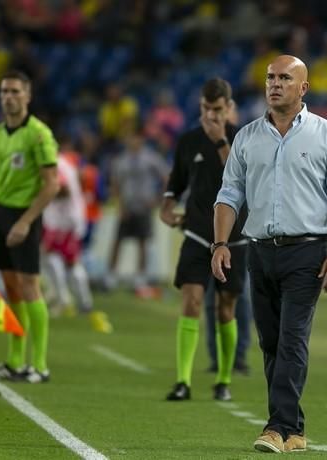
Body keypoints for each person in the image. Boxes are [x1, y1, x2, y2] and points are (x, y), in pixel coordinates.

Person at [212, 55, 327, 453]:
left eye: (284, 78)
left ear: (303, 88)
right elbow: (229, 194)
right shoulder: (246, 137)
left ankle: (276, 428)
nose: (275, 84)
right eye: (270, 77)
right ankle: (294, 430)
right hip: (260, 252)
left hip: (307, 253)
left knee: (292, 340)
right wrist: (220, 244)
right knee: (272, 342)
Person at [160, 78, 248, 402]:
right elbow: (176, 181)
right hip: (197, 233)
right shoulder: (188, 141)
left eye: (217, 109)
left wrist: (220, 142)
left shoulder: (242, 139)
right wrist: (167, 207)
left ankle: (223, 380)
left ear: (229, 108)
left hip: (235, 239)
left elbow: (242, 182)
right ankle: (183, 381)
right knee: (192, 302)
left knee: (226, 309)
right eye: (205, 109)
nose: (210, 115)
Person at [0, 70, 60, 384]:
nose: (8, 97)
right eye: (4, 92)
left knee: (29, 287)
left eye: (14, 91)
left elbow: (52, 184)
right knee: (11, 288)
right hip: (1, 215)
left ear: (28, 96)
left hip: (25, 214)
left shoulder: (38, 134)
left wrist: (25, 222)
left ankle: (39, 366)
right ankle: (15, 361)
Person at [41, 152, 113, 333]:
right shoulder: (63, 161)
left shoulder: (54, 163)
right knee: (63, 259)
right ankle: (80, 302)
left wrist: (42, 192)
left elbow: (63, 189)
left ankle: (66, 300)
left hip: (63, 220)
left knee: (55, 257)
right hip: (68, 218)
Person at [104, 128, 168, 294]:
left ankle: (140, 277)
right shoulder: (120, 160)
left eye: (136, 138)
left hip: (144, 206)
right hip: (126, 206)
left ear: (141, 139)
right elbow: (115, 183)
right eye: (130, 138)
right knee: (118, 241)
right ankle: (111, 276)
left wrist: (158, 199)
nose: (133, 141)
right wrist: (119, 205)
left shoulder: (150, 158)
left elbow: (166, 177)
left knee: (143, 242)